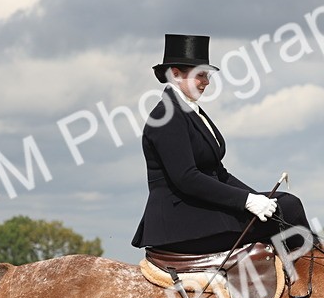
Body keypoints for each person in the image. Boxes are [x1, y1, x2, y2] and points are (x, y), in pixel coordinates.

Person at [132, 33, 312, 255]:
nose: (207, 82)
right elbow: (186, 178)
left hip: (201, 211)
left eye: (207, 76)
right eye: (201, 76)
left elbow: (220, 173)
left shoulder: (190, 111)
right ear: (176, 74)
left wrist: (258, 198)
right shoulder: (166, 117)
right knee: (290, 207)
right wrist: (246, 201)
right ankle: (316, 276)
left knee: (281, 204)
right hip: (180, 223)